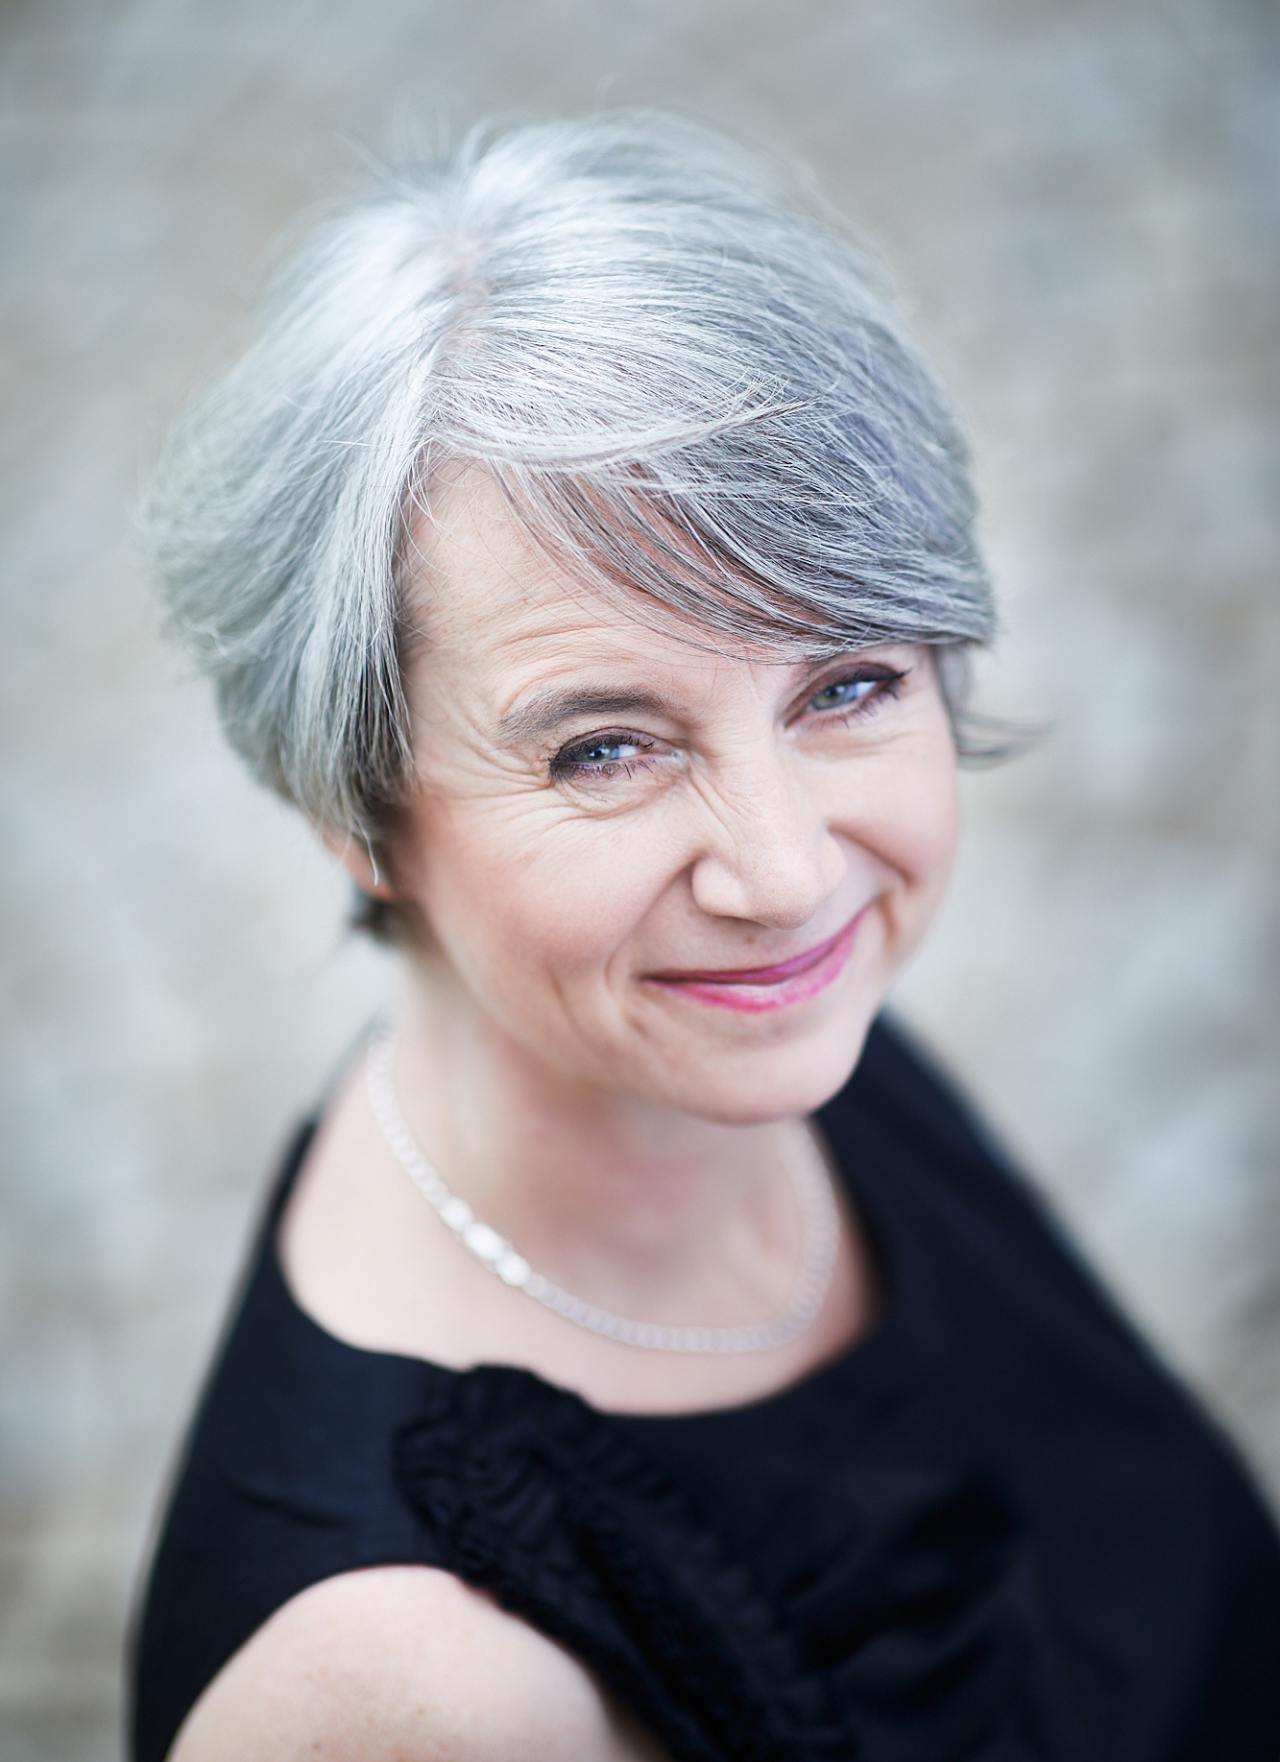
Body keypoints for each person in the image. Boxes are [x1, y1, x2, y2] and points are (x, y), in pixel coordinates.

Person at [129, 113, 1280, 1762]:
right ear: (351, 808)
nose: (789, 875)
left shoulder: (785, 1034)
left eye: (849, 683)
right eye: (605, 747)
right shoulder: (409, 1693)